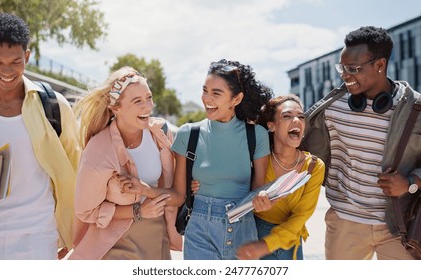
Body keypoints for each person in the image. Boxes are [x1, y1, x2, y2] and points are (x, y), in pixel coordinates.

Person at [301, 26, 421, 260]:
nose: (345, 75)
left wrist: (411, 183)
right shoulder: (331, 108)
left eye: (353, 69)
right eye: (341, 68)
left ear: (380, 65)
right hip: (345, 222)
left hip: (401, 226)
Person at [0, 13, 80, 259]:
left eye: (16, 61)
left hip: (37, 236)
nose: (7, 71)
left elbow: (75, 166)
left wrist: (72, 230)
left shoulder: (54, 106)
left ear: (27, 56)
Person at [69, 66, 184, 260]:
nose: (147, 106)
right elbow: (86, 211)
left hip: (157, 239)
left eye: (148, 98)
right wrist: (137, 210)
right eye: (137, 101)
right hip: (116, 244)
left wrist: (146, 191)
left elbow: (177, 196)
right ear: (115, 108)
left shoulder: (161, 135)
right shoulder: (99, 150)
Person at [171, 59, 273, 260]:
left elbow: (258, 188)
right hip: (200, 230)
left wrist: (264, 200)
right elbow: (178, 194)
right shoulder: (187, 135)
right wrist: (143, 191)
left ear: (236, 99)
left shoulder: (256, 136)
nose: (207, 98)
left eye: (216, 93)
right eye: (205, 90)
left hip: (243, 231)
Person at [235, 95, 325, 260]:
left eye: (301, 116)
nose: (297, 120)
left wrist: (266, 245)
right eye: (287, 116)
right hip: (252, 235)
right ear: (271, 125)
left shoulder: (314, 166)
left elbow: (300, 217)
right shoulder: (259, 159)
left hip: (289, 242)